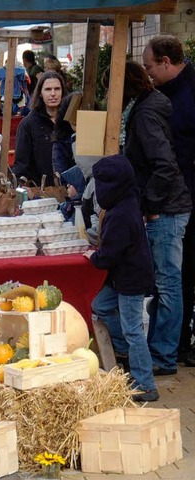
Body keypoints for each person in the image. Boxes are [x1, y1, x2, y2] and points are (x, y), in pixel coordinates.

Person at [117, 60, 191, 376]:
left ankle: (163, 355)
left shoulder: (144, 114)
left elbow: (164, 164)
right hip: (169, 204)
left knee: (168, 283)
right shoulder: (149, 107)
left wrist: (152, 204)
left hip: (168, 208)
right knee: (166, 284)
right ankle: (161, 350)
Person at [85, 154, 158, 403]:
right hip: (123, 276)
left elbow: (109, 255)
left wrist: (92, 258)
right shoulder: (125, 203)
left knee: (133, 329)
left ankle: (145, 383)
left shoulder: (121, 214)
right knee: (100, 306)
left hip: (130, 279)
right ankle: (127, 351)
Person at [142, 35, 195, 366]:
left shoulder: (187, 94)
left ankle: (174, 347)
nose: (148, 73)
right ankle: (177, 344)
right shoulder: (163, 93)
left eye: (150, 66)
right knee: (181, 275)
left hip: (182, 194)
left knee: (178, 277)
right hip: (181, 193)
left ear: (165, 62)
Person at [13, 71, 67, 186]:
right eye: (48, 89)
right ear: (41, 93)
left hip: (70, 191)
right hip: (39, 192)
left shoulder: (70, 122)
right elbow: (21, 165)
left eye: (57, 89)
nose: (53, 93)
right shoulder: (28, 124)